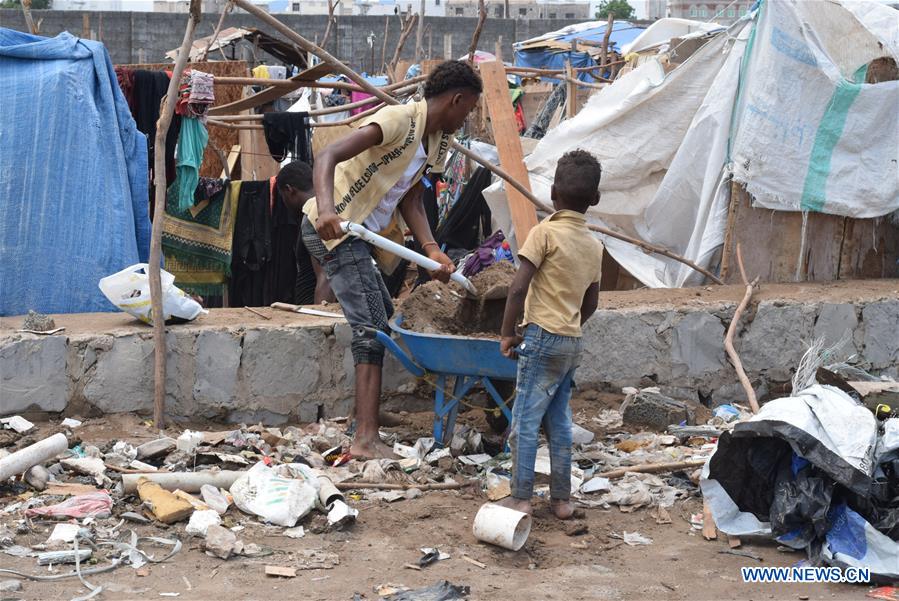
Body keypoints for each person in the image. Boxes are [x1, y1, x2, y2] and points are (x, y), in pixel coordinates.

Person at [302, 60, 483, 458]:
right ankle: (365, 438)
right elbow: (328, 155)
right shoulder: (399, 120)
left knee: (381, 312)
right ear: (456, 99)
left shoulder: (434, 140)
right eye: (467, 110)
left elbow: (412, 198)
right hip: (332, 226)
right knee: (371, 326)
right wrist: (329, 209)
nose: (466, 119)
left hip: (362, 236)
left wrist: (431, 250)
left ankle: (361, 418)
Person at [497, 150, 604, 520]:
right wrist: (570, 324)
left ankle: (521, 497)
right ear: (595, 199)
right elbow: (591, 302)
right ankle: (561, 500)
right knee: (559, 422)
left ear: (553, 192)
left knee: (525, 421)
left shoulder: (543, 234)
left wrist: (507, 333)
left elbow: (517, 289)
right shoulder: (594, 246)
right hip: (571, 341)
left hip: (541, 337)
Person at [276, 161, 335, 304]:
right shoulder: (329, 208)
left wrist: (316, 320)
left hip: (317, 309)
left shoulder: (312, 217)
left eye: (283, 196)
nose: (285, 203)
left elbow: (327, 274)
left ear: (290, 190)